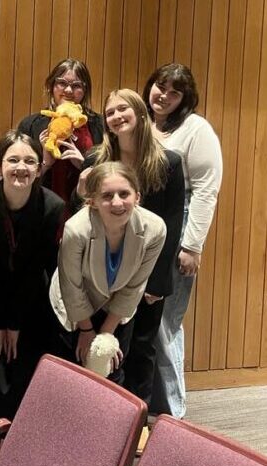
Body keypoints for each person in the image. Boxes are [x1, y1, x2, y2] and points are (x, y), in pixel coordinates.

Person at [81, 89, 184, 412]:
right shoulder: (96, 160)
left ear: (140, 113)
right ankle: (106, 418)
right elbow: (81, 216)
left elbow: (171, 224)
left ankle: (137, 420)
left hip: (146, 274)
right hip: (104, 272)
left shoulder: (168, 162)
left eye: (122, 109)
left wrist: (155, 283)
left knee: (141, 348)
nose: (116, 117)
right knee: (107, 348)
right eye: (110, 113)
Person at [144, 63, 222, 418]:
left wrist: (193, 245)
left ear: (184, 98)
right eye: (160, 86)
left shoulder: (195, 129)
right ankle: (149, 407)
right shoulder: (144, 123)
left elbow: (206, 189)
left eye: (173, 92)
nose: (163, 95)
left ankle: (173, 414)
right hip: (142, 223)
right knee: (144, 318)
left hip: (180, 223)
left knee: (165, 323)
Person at [0, 131, 65, 420]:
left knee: (26, 369)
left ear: (39, 168)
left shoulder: (52, 206)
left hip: (31, 298)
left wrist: (15, 323)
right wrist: (1, 322)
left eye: (29, 161)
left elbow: (37, 268)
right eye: (13, 160)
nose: (21, 167)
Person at [50, 162, 167, 386]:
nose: (117, 202)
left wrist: (106, 334)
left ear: (137, 197)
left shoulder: (155, 229)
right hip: (76, 306)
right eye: (107, 195)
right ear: (92, 201)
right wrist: (86, 330)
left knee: (112, 373)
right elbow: (72, 286)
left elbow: (135, 285)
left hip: (118, 305)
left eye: (124, 194)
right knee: (74, 375)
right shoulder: (76, 229)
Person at [17, 58, 104, 205]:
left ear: (85, 90)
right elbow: (18, 174)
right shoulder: (30, 124)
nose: (69, 90)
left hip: (87, 206)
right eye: (62, 83)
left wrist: (84, 165)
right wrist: (45, 164)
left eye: (76, 85)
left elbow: (111, 170)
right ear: (51, 86)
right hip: (40, 208)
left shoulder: (100, 124)